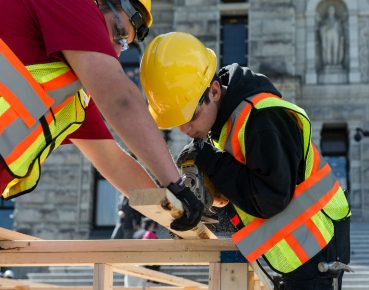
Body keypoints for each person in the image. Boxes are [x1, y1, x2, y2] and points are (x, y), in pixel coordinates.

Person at [140, 32, 351, 290]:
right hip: (295, 259)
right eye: (177, 120)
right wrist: (198, 202)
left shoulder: (262, 119)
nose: (185, 128)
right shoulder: (226, 124)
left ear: (214, 91)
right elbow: (241, 191)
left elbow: (270, 198)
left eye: (190, 115)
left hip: (319, 255)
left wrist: (211, 161)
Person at [0, 0, 203, 232]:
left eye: (125, 46)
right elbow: (120, 100)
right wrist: (176, 184)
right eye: (118, 34)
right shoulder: (72, 4)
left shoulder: (70, 98)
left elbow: (113, 161)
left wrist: (173, 212)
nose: (116, 53)